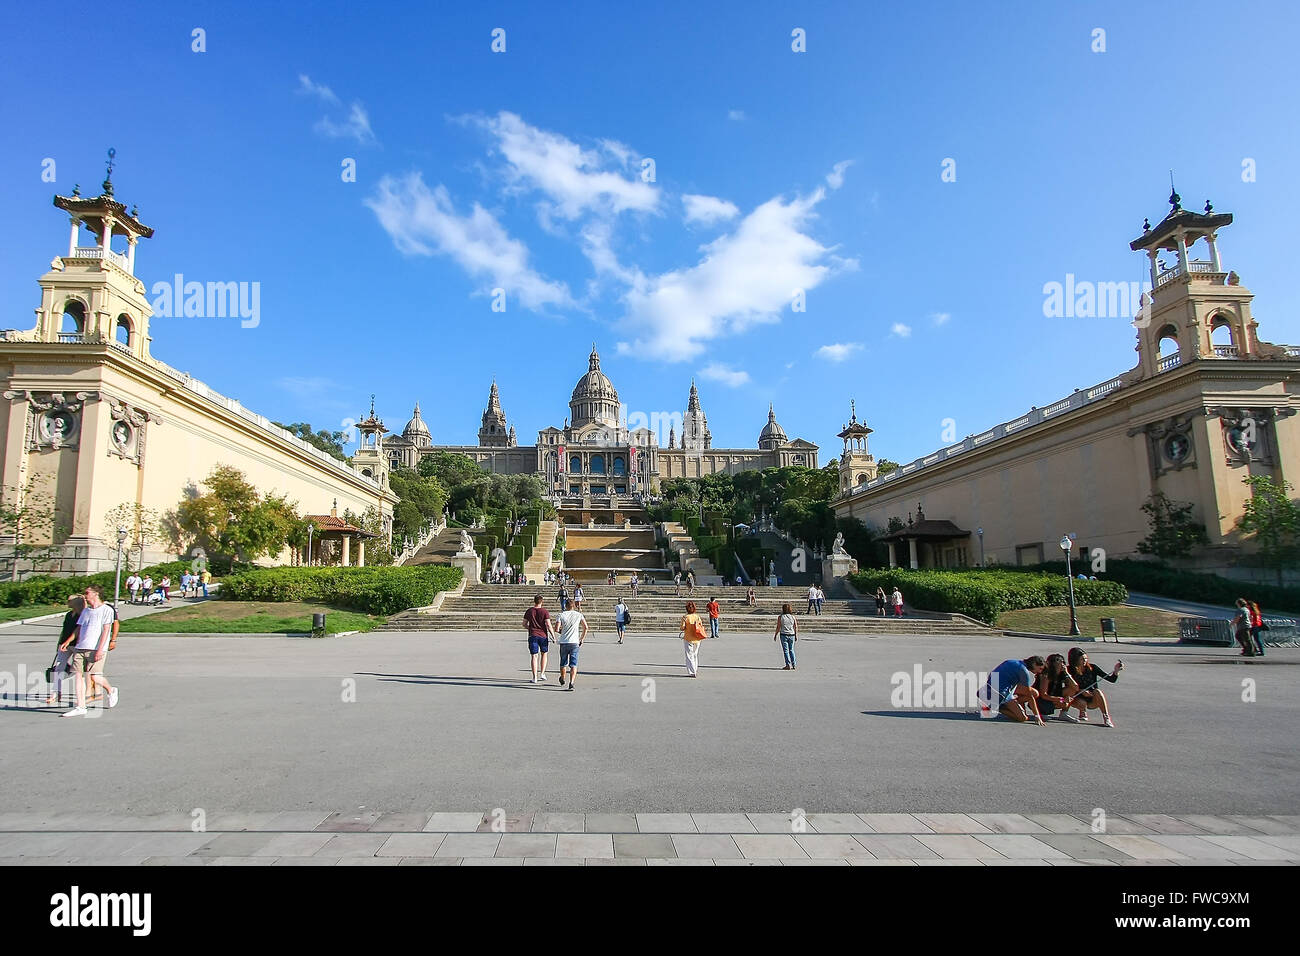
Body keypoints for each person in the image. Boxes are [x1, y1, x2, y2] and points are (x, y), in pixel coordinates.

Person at [58, 585, 119, 717]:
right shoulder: (86, 611)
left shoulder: (106, 610)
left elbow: (106, 630)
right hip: (80, 647)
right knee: (78, 676)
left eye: (87, 593)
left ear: (96, 594)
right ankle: (80, 706)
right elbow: (78, 629)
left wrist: (100, 649)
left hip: (96, 649)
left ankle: (111, 690)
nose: (85, 595)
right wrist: (68, 641)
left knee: (94, 676)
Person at [1065, 647, 1122, 727]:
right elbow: (1068, 687)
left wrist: (1116, 671)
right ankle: (1082, 712)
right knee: (1082, 702)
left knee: (1098, 691)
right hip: (1077, 698)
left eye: (1085, 658)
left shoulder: (1093, 667)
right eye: (1082, 659)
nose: (1085, 661)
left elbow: (1111, 679)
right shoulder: (1069, 670)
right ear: (1075, 660)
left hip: (1092, 699)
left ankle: (1106, 717)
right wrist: (1081, 691)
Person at [981, 656, 1046, 724]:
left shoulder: (1010, 661)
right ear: (1034, 664)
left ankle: (1008, 704)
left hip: (989, 688)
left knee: (1034, 693)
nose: (1039, 671)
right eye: (1040, 668)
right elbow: (1030, 697)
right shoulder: (1023, 671)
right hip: (1001, 694)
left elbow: (992, 674)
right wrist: (1037, 716)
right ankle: (995, 707)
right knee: (1023, 718)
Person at [44, 594, 83, 705]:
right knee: (59, 668)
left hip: (77, 644)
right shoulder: (68, 615)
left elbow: (79, 631)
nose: (67, 602)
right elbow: (64, 630)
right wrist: (60, 643)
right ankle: (55, 693)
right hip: (64, 644)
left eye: (69, 600)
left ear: (76, 602)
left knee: (79, 670)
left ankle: (86, 692)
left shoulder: (82, 615)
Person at [555, 597, 588, 691]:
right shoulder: (579, 615)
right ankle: (572, 682)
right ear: (574, 606)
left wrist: (563, 632)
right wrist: (582, 639)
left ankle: (562, 677)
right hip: (574, 642)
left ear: (565, 605)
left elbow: (556, 629)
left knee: (563, 662)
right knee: (573, 663)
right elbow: (586, 627)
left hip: (564, 641)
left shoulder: (561, 615)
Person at [1034, 653, 1079, 722]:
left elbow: (1076, 688)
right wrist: (1060, 699)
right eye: (1060, 662)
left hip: (1054, 695)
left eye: (1063, 662)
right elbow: (1043, 695)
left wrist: (1067, 673)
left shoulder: (1062, 673)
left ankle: (1064, 714)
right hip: (1041, 699)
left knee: (1071, 689)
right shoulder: (1045, 675)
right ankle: (1041, 712)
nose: (1062, 664)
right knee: (1048, 708)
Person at [523, 594, 554, 683]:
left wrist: (530, 628)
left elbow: (524, 624)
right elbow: (548, 625)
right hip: (543, 636)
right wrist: (553, 636)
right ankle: (542, 673)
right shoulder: (545, 611)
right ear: (542, 601)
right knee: (544, 654)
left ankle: (534, 677)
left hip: (533, 635)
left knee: (534, 656)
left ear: (534, 601)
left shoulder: (529, 611)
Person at [679, 601, 707, 677]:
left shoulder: (685, 617)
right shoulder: (697, 616)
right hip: (697, 639)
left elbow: (682, 628)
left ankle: (692, 671)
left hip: (688, 638)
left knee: (689, 655)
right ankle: (695, 669)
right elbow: (700, 625)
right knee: (695, 655)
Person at [774, 602, 798, 670]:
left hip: (784, 635)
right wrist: (796, 635)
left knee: (786, 650)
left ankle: (788, 665)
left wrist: (775, 635)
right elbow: (795, 626)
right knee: (791, 650)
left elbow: (778, 627)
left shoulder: (780, 617)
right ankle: (794, 664)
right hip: (792, 634)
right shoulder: (793, 617)